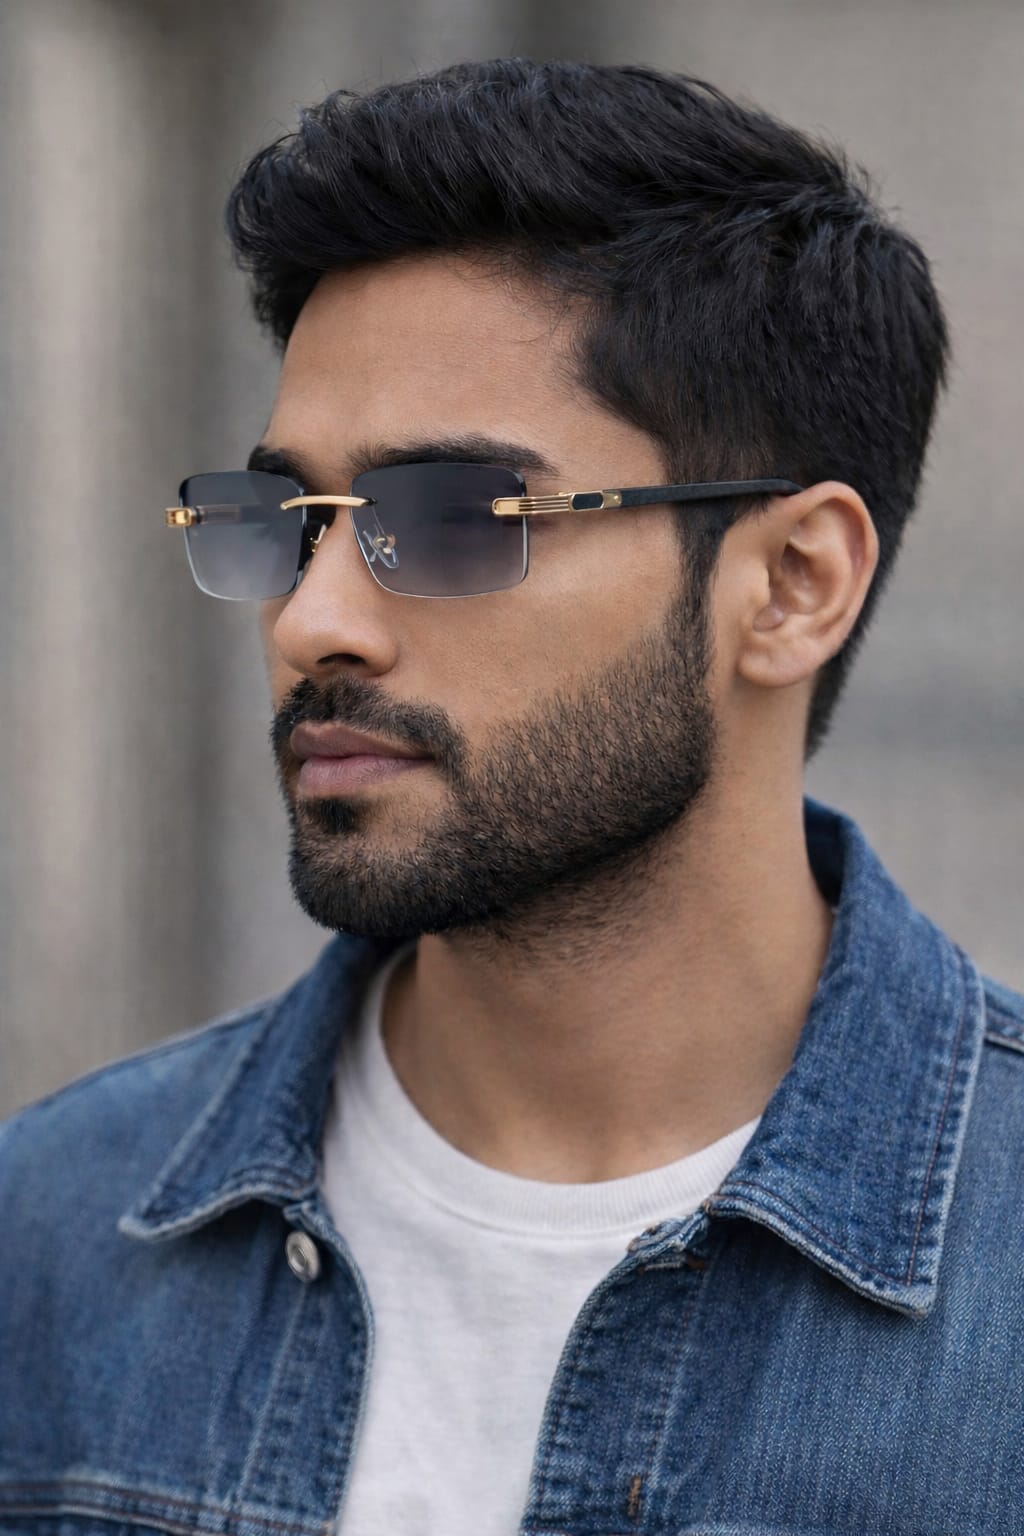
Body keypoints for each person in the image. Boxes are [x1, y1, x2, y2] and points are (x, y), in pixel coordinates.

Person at [1, 55, 1021, 1535]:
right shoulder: (53, 1238)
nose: (311, 622)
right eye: (289, 520)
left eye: (455, 518)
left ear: (794, 585)